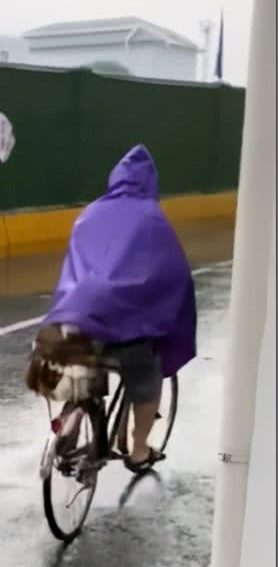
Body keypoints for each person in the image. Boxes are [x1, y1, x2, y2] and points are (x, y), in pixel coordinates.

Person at [35, 143, 197, 473]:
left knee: (85, 370)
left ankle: (73, 422)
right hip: (127, 333)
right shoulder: (152, 219)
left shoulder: (89, 214)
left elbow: (75, 268)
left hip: (73, 322)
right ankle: (138, 450)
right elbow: (174, 274)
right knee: (146, 379)